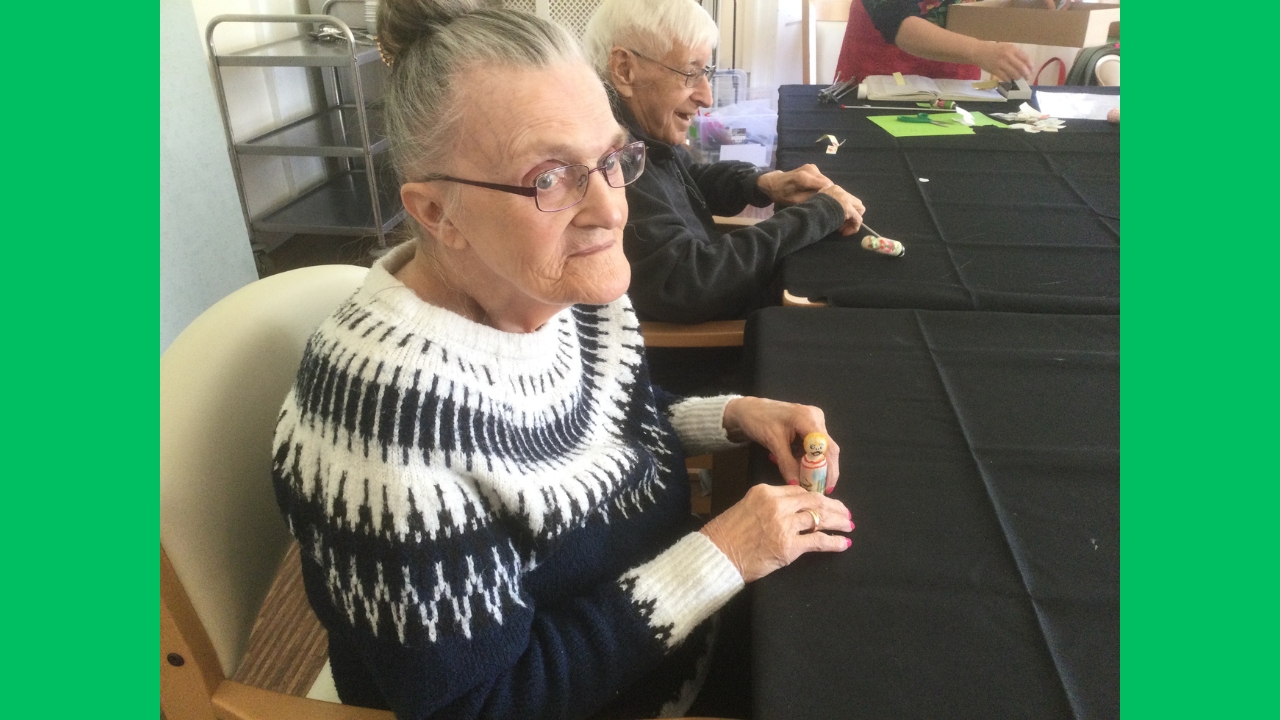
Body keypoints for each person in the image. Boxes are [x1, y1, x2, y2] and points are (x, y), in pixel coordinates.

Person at [270, 1, 855, 718]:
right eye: (548, 177)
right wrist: (722, 556)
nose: (611, 209)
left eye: (612, 159)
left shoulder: (554, 289)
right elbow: (482, 703)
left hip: (679, 645)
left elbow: (591, 428)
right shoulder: (387, 440)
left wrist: (727, 414)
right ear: (434, 212)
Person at [582, 0, 868, 325]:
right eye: (690, 73)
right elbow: (688, 284)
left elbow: (687, 178)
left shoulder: (636, 132)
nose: (706, 97)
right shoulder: (614, 167)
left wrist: (761, 184)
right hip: (710, 354)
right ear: (624, 70)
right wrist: (819, 214)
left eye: (704, 72)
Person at [834, 0, 1045, 84]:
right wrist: (980, 51)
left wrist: (1016, 3)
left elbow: (964, 9)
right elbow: (896, 22)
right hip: (879, 83)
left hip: (956, 86)